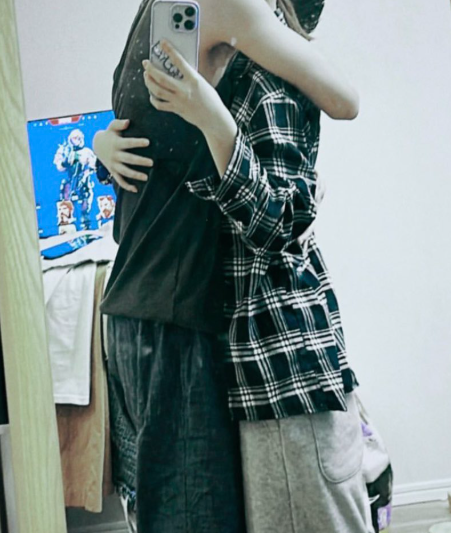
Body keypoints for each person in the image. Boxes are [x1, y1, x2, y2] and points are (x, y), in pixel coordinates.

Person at [94, 0, 364, 531]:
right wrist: (110, 145)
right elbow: (345, 102)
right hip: (176, 313)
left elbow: (274, 209)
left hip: (151, 306)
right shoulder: (224, 17)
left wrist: (112, 143)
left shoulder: (178, 18)